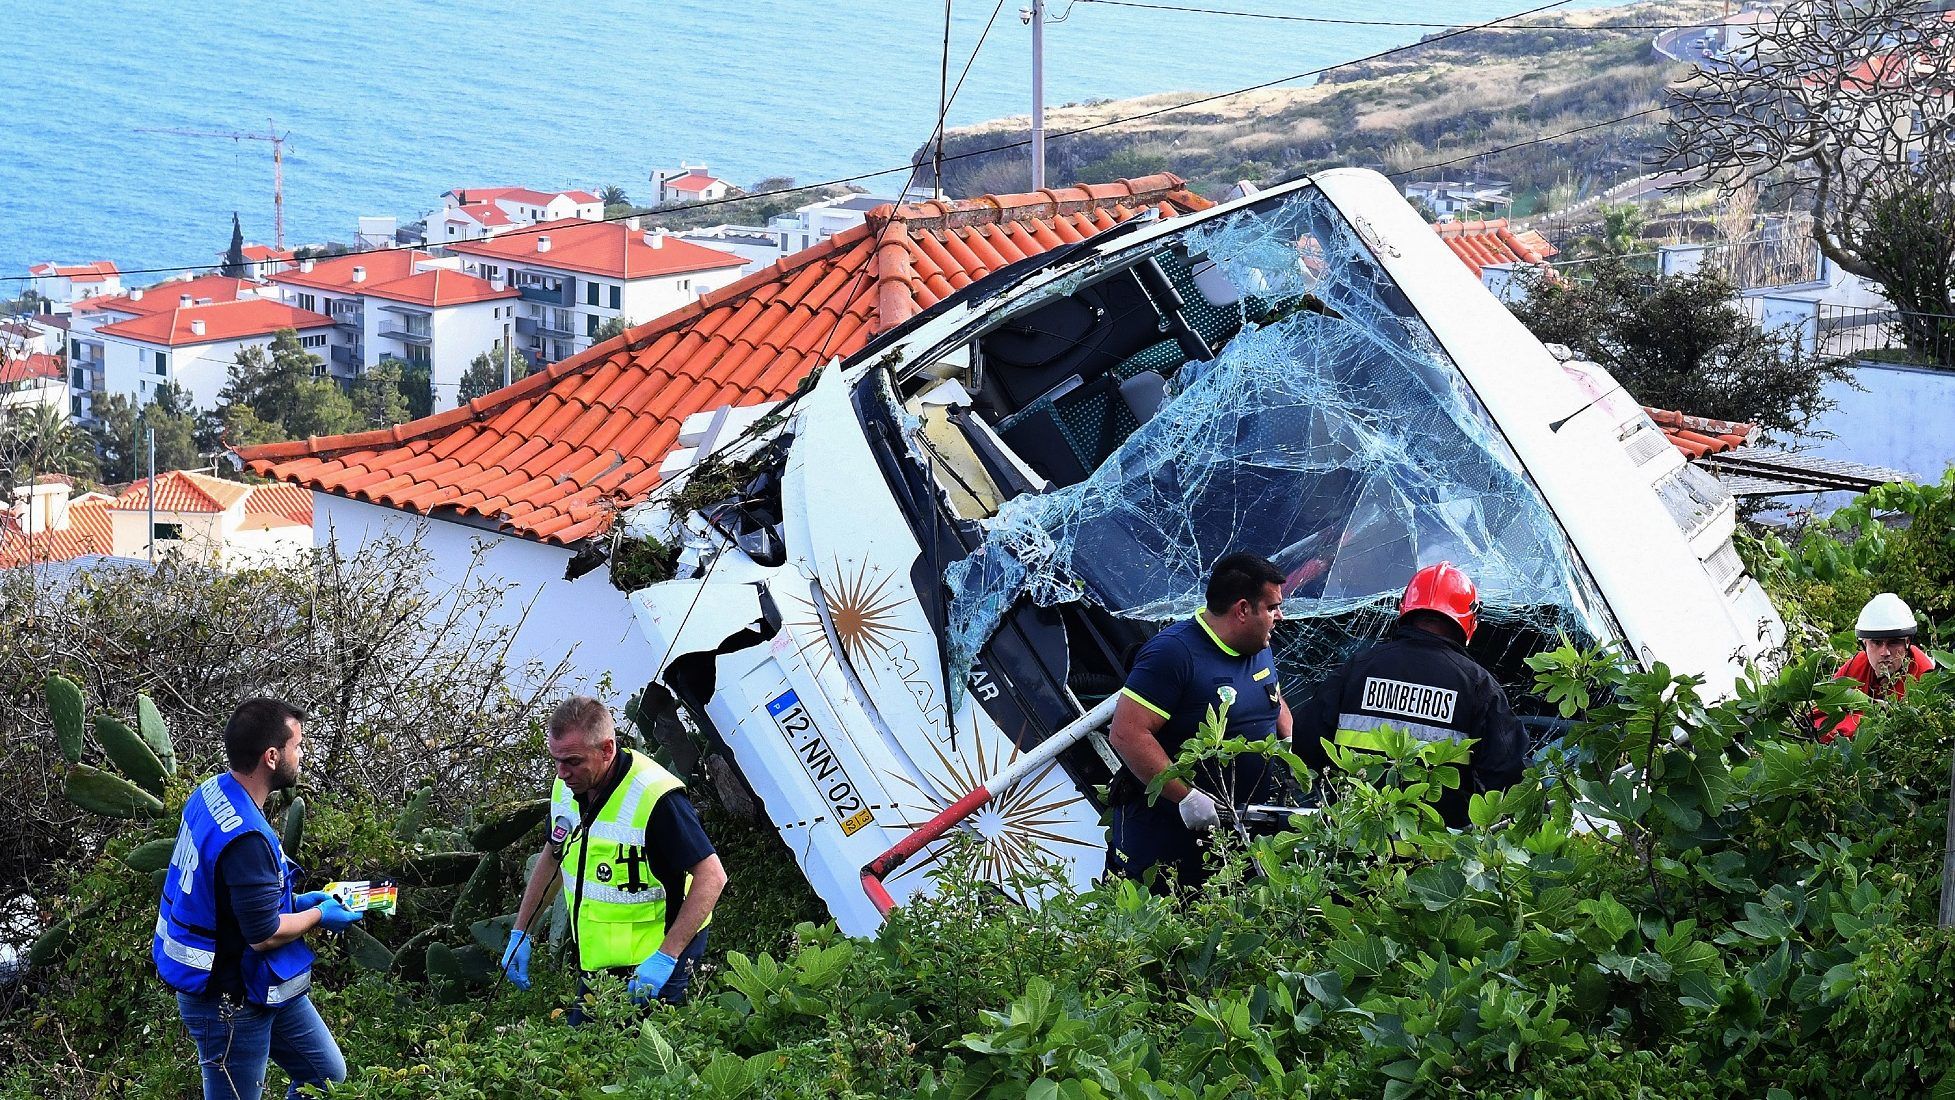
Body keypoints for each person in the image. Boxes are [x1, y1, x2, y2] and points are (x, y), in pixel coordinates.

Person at [154, 697, 364, 1100]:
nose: (301, 756)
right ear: (271, 756)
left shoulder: (212, 792)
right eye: (297, 747)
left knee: (327, 1078)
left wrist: (301, 902)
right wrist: (320, 915)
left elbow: (233, 897)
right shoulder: (247, 837)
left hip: (260, 983)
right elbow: (263, 933)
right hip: (229, 999)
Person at [501, 696, 726, 1011]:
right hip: (601, 960)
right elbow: (554, 855)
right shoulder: (566, 786)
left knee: (647, 1053)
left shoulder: (656, 798)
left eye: (573, 761)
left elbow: (712, 876)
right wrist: (521, 931)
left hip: (661, 954)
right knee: (586, 1051)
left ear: (607, 749)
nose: (562, 772)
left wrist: (666, 956)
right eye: (556, 759)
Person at [1106, 552, 1293, 889]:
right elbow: (1126, 734)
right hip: (1166, 839)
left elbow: (1272, 694)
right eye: (1272, 607)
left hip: (1235, 835)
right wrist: (1186, 797)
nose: (1280, 616)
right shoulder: (1174, 653)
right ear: (1242, 610)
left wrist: (1287, 740)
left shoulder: (1258, 643)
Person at [1292, 562, 1526, 829]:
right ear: (1469, 621)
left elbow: (1307, 744)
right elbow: (1508, 778)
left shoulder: (1358, 668)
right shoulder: (1479, 686)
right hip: (1437, 853)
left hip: (1353, 842)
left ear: (1405, 609)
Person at [1819, 592, 1935, 741]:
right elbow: (1819, 710)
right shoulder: (1855, 666)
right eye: (1876, 642)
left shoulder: (1924, 674)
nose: (1885, 652)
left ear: (1907, 642)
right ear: (1864, 643)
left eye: (1893, 642)